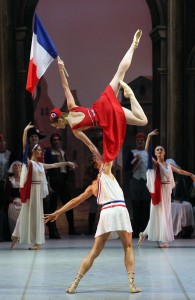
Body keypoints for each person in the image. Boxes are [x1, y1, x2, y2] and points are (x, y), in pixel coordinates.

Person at [44, 157, 141, 294]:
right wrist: (80, 134)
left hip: (106, 212)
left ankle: (74, 284)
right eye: (100, 159)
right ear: (98, 165)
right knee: (128, 247)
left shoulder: (92, 187)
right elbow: (103, 149)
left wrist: (58, 212)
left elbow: (74, 201)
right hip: (119, 210)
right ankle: (132, 285)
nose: (104, 160)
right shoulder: (106, 171)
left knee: (94, 252)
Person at [49, 29, 148, 162]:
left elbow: (91, 146)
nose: (56, 128)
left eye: (55, 125)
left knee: (143, 121)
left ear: (59, 119)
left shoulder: (74, 129)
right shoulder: (71, 106)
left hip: (106, 116)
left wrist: (101, 160)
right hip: (102, 103)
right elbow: (65, 86)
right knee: (120, 73)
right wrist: (61, 69)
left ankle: (131, 95)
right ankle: (133, 46)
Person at [11, 123, 77, 250]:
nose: (41, 151)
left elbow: (55, 165)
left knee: (37, 216)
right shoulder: (30, 163)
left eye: (41, 150)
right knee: (24, 214)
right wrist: (25, 132)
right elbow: (25, 148)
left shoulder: (41, 165)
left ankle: (37, 242)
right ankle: (15, 236)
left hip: (37, 193)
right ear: (34, 151)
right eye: (39, 150)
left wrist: (67, 162)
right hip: (31, 192)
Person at [137, 129, 195, 248]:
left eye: (161, 149)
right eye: (157, 149)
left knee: (164, 214)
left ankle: (144, 233)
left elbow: (179, 171)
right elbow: (146, 151)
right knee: (160, 214)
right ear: (155, 153)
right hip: (159, 190)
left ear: (164, 152)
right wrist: (148, 137)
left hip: (167, 191)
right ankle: (164, 240)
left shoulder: (168, 165)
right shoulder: (156, 164)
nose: (159, 151)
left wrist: (190, 174)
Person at [44, 133, 79, 236]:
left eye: (58, 140)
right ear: (51, 142)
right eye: (54, 140)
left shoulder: (63, 153)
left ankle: (72, 229)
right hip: (54, 182)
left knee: (69, 205)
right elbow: (47, 169)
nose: (56, 141)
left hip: (63, 181)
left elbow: (65, 168)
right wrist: (48, 184)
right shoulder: (49, 153)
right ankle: (53, 231)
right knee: (53, 207)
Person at [125, 133, 150, 237]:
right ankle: (136, 230)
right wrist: (135, 159)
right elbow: (127, 167)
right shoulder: (132, 153)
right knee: (136, 206)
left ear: (144, 142)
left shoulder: (148, 153)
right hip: (135, 180)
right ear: (136, 142)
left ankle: (145, 230)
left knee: (145, 205)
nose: (140, 142)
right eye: (138, 140)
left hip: (146, 181)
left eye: (141, 140)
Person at [4, 161, 22, 233]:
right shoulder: (9, 180)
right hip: (13, 201)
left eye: (19, 166)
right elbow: (6, 196)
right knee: (13, 208)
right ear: (12, 168)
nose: (17, 167)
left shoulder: (25, 180)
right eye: (15, 166)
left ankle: (23, 234)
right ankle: (15, 233)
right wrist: (14, 201)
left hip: (24, 201)